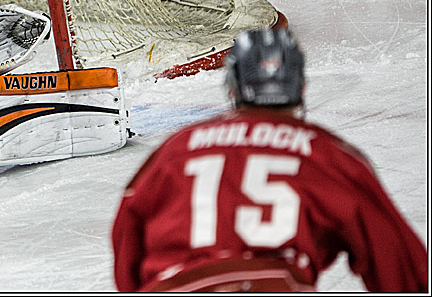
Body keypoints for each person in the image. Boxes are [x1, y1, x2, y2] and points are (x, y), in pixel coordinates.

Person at [111, 27, 428, 293]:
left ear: (232, 88)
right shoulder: (328, 155)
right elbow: (400, 264)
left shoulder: (177, 149)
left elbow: (128, 231)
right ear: (301, 86)